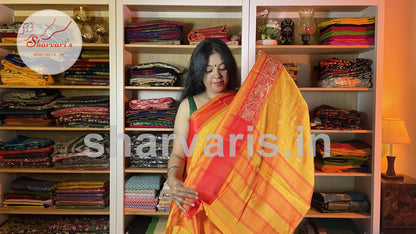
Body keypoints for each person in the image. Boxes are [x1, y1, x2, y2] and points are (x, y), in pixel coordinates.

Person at [166, 38, 314, 234]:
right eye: (208, 69)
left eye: (222, 68)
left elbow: (265, 140)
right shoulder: (189, 106)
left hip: (235, 197)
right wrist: (174, 181)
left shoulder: (244, 103)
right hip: (198, 194)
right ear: (198, 71)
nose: (216, 76)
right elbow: (178, 154)